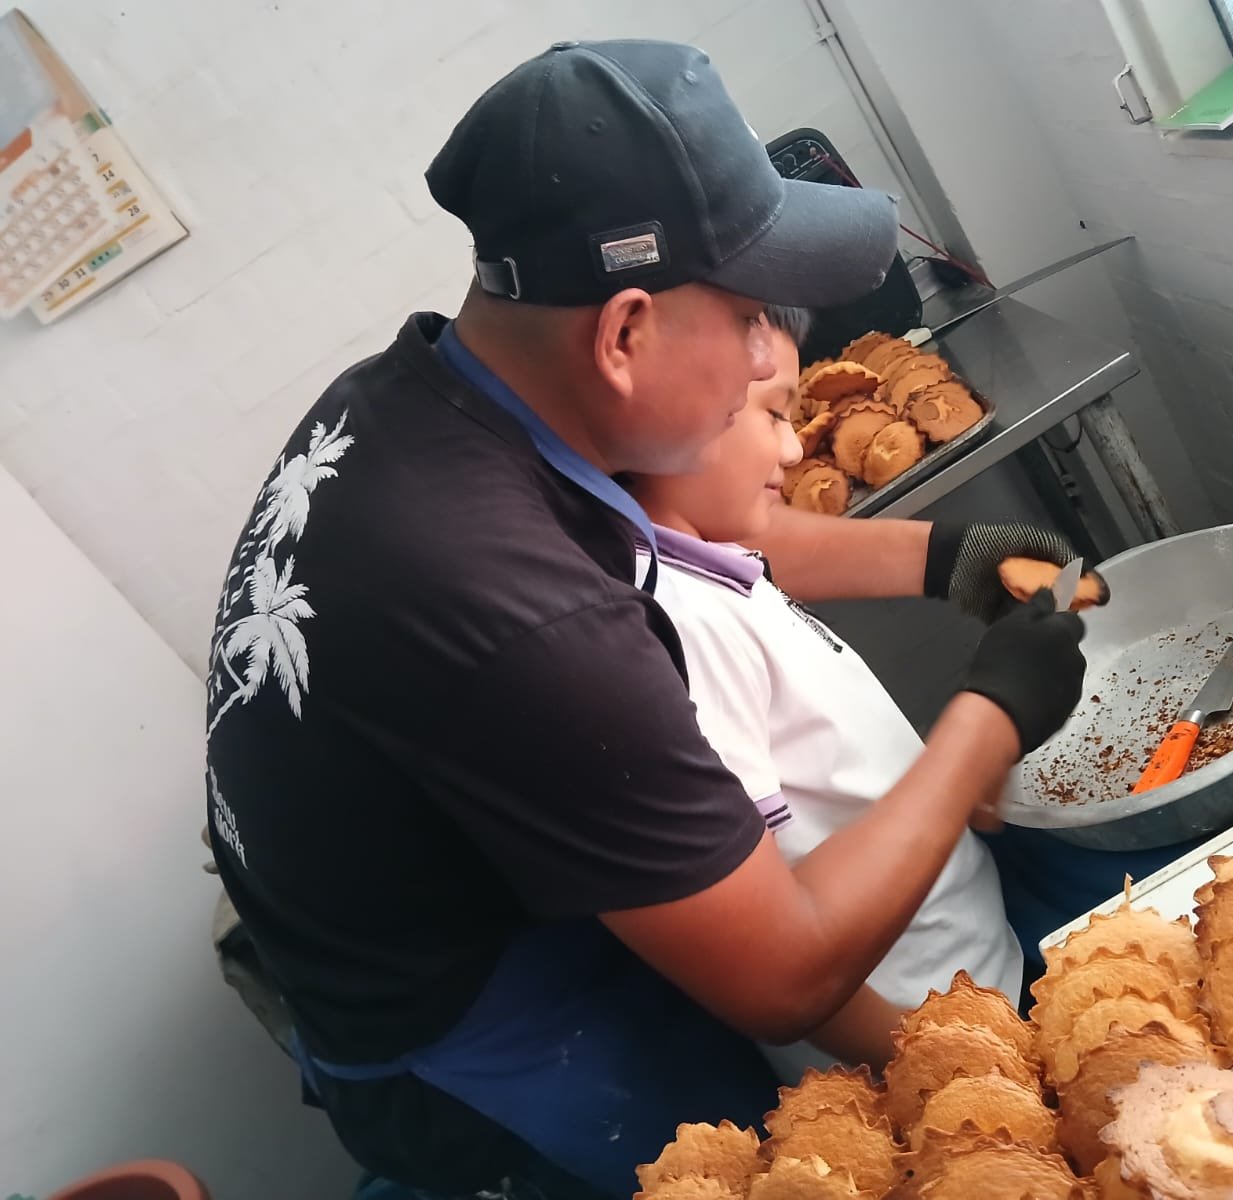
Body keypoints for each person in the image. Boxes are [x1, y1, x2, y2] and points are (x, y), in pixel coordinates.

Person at [204, 39, 1086, 1200]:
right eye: (747, 316)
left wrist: (945, 557)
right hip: (476, 1034)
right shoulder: (517, 613)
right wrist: (991, 716)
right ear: (623, 334)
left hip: (471, 873)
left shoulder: (441, 394)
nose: (768, 355)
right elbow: (782, 976)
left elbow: (707, 523)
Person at [625, 304, 1034, 1082]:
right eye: (773, 413)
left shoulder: (708, 556)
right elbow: (769, 951)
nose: (792, 448)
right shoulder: (677, 626)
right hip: (934, 1040)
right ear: (674, 418)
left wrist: (972, 560)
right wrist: (939, 1067)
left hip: (973, 969)